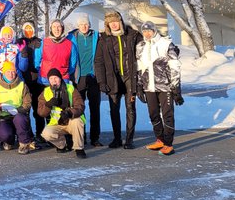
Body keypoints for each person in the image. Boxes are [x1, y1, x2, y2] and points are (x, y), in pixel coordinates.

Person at [94, 11, 142, 149]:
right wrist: (101, 81)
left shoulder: (132, 35)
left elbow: (147, 46)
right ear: (107, 24)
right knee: (114, 109)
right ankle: (116, 138)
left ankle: (129, 139)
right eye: (111, 22)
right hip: (112, 78)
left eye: (116, 21)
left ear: (120, 21)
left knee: (130, 108)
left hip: (129, 77)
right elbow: (99, 61)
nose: (114, 24)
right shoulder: (104, 38)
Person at [136, 21, 183, 156]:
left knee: (167, 114)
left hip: (165, 86)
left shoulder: (166, 44)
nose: (147, 33)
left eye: (149, 30)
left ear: (154, 30)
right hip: (149, 86)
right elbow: (140, 67)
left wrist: (175, 87)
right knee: (153, 114)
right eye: (144, 31)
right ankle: (160, 140)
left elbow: (175, 65)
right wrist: (139, 85)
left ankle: (168, 144)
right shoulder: (140, 46)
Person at [33, 19, 78, 141]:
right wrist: (45, 73)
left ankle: (64, 134)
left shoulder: (70, 44)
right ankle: (42, 134)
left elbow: (73, 64)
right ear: (51, 29)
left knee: (63, 107)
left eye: (59, 27)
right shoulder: (44, 42)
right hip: (45, 80)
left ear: (63, 28)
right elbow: (37, 61)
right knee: (46, 107)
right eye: (54, 27)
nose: (57, 29)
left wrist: (65, 73)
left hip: (63, 79)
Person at [68, 14, 102, 147]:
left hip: (93, 76)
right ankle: (80, 135)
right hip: (78, 77)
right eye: (81, 24)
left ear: (89, 25)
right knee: (79, 108)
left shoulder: (96, 36)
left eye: (86, 24)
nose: (84, 26)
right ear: (78, 25)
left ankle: (95, 137)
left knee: (95, 108)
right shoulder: (71, 37)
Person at [37, 68, 87, 159]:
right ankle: (62, 144)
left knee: (77, 121)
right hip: (57, 123)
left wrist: (69, 113)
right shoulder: (46, 92)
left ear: (60, 78)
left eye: (55, 77)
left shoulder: (70, 88)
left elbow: (80, 106)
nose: (54, 80)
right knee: (46, 133)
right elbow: (41, 112)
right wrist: (48, 105)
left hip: (71, 120)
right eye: (51, 79)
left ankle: (79, 148)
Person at [0, 61, 33, 154]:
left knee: (20, 119)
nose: (11, 74)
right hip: (4, 117)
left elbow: (27, 103)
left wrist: (17, 110)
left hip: (18, 115)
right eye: (8, 71)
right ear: (3, 73)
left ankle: (24, 144)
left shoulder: (22, 85)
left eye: (13, 71)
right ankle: (9, 141)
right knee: (4, 134)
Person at [17, 22, 43, 144]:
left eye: (30, 29)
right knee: (25, 109)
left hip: (37, 80)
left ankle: (40, 133)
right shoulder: (19, 42)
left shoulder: (39, 42)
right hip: (24, 80)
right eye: (26, 28)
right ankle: (28, 134)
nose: (28, 31)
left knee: (38, 109)